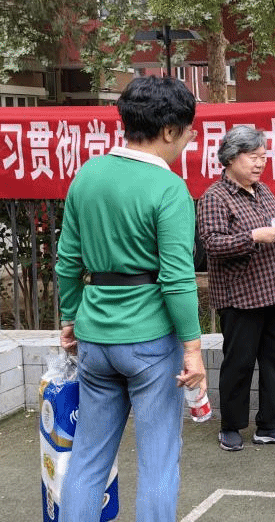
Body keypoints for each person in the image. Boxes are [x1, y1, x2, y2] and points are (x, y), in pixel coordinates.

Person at [56, 76, 206, 520]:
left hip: (94, 336)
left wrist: (70, 317)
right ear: (169, 131)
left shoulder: (88, 174)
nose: (189, 139)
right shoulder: (169, 188)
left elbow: (67, 260)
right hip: (149, 340)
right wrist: (192, 347)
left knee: (88, 459)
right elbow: (176, 279)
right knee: (158, 462)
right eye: (188, 130)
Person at [197, 125, 275, 452]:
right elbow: (212, 244)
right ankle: (231, 426)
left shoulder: (265, 191)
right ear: (231, 157)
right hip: (241, 296)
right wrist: (252, 237)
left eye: (263, 157)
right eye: (253, 157)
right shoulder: (215, 197)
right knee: (239, 363)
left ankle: (271, 425)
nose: (260, 163)